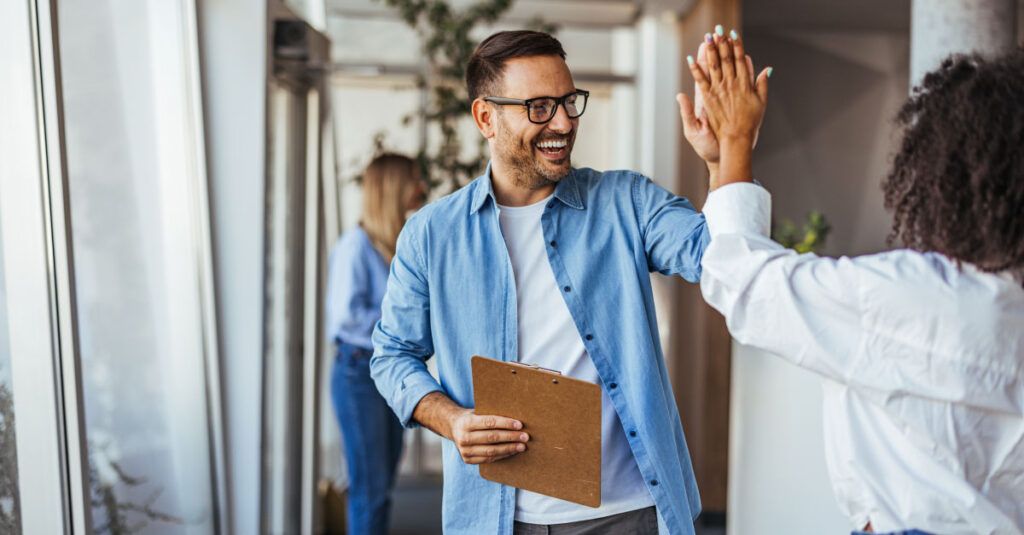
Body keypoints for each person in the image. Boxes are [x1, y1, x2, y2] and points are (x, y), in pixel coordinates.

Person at [370, 28, 768, 534]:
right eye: (538, 106)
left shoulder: (626, 202)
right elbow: (391, 354)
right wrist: (451, 420)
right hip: (497, 517)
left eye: (568, 101)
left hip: (631, 514)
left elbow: (730, 263)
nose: (561, 121)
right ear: (486, 117)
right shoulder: (431, 234)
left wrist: (726, 160)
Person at [681, 29, 1023, 535]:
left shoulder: (920, 295)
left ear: (940, 173)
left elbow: (748, 286)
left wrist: (734, 146)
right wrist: (723, 164)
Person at [326, 153, 427, 535]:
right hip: (358, 376)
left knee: (382, 486)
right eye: (414, 180)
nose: (421, 188)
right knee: (369, 489)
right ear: (394, 188)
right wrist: (401, 321)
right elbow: (345, 318)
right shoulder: (355, 246)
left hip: (389, 373)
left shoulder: (396, 244)